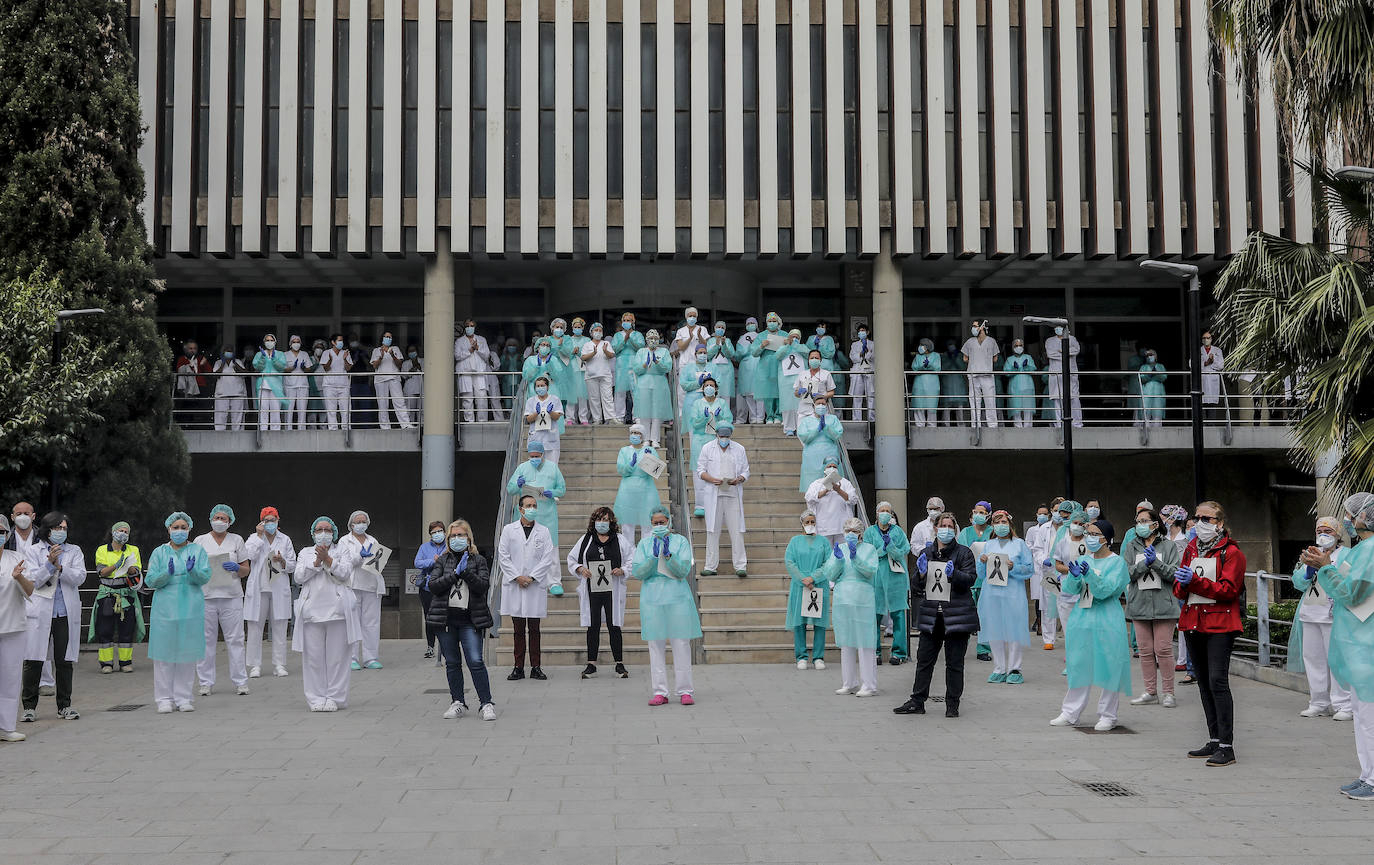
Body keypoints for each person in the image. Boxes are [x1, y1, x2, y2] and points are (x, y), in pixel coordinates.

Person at [1302, 493, 1374, 799]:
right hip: (1359, 643)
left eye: (1350, 515)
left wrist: (1326, 566)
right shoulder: (1363, 549)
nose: (1348, 520)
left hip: (1366, 645)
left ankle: (1372, 780)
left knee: (1368, 716)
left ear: (1363, 517)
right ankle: (1367, 774)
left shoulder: (1370, 550)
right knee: (1361, 714)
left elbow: (1353, 594)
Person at [1172, 500, 1246, 766]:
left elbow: (1228, 590)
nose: (1201, 523)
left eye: (1208, 519)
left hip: (1220, 624)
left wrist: (1194, 582)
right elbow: (1180, 590)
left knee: (1217, 681)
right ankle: (1214, 739)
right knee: (1203, 681)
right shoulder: (1192, 549)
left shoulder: (1232, 552)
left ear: (1220, 523)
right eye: (1198, 517)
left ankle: (1227, 745)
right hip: (1194, 621)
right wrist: (1181, 584)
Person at [1050, 521, 1132, 731]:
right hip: (1082, 616)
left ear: (1107, 539)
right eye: (1089, 533)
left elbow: (1107, 591)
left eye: (1096, 534)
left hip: (1107, 617)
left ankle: (1108, 714)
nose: (1090, 537)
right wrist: (1075, 576)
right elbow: (1070, 589)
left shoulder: (1117, 563)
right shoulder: (1084, 558)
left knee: (1109, 665)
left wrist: (1089, 576)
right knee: (1078, 664)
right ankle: (1070, 712)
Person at [894, 512, 977, 717]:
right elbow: (916, 585)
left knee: (955, 663)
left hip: (957, 617)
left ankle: (952, 704)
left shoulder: (964, 553)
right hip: (932, 616)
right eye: (943, 525)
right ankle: (917, 700)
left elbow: (970, 579)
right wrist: (921, 573)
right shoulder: (926, 552)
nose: (946, 530)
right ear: (935, 528)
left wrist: (954, 574)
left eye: (950, 526)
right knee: (924, 660)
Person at [427, 519, 497, 721]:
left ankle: (486, 703)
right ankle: (457, 701)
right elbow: (434, 585)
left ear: (469, 538)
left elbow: (483, 586)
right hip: (447, 620)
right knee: (453, 663)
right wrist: (454, 574)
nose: (457, 539)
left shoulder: (478, 560)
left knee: (475, 661)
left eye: (461, 535)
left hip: (470, 620)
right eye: (454, 536)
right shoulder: (443, 560)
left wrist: (465, 572)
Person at [141, 513, 212, 713]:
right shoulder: (159, 552)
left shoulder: (197, 551)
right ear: (168, 529)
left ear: (189, 529)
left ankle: (184, 697)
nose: (179, 530)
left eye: (183, 527)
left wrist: (193, 572)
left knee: (187, 655)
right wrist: (167, 574)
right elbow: (151, 580)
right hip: (165, 608)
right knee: (164, 655)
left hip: (191, 607)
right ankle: (164, 698)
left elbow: (205, 576)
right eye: (175, 527)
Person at [19, 513, 85, 723]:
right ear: (47, 529)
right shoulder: (33, 551)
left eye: (64, 528)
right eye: (57, 528)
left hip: (64, 612)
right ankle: (29, 707)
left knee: (64, 660)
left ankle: (64, 705)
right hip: (40, 612)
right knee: (34, 658)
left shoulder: (74, 551)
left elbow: (80, 577)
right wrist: (49, 564)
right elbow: (32, 581)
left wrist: (60, 567)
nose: (61, 532)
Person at [631, 506, 701, 705]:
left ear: (669, 522)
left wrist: (670, 557)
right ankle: (660, 691)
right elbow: (638, 572)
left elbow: (683, 570)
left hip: (677, 597)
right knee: (655, 645)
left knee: (681, 644)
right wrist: (653, 559)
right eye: (655, 523)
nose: (659, 525)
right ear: (650, 524)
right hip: (652, 599)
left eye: (663, 522)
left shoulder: (680, 542)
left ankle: (685, 690)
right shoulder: (644, 544)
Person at [292, 516, 361, 712]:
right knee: (313, 659)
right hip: (311, 613)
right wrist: (317, 561)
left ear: (334, 533)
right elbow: (298, 577)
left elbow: (345, 573)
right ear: (313, 533)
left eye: (328, 530)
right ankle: (316, 698)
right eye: (319, 530)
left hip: (337, 611)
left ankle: (335, 698)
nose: (323, 533)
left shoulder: (343, 550)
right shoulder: (305, 553)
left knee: (337, 658)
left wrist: (328, 559)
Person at [1289, 517, 1355, 719]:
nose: (1323, 534)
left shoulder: (1348, 555)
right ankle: (1319, 702)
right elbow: (1297, 582)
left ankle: (1344, 704)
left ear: (1338, 534)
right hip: (1310, 612)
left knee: (1337, 661)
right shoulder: (1310, 553)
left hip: (1334, 615)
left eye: (1328, 530)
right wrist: (1307, 572)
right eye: (1319, 530)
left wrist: (1327, 568)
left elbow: (1347, 583)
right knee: (1313, 659)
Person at [1123, 507, 1182, 708]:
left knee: (1163, 649)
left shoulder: (1168, 546)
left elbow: (1175, 574)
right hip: (1139, 604)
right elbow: (1126, 573)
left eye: (1144, 521)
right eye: (1138, 521)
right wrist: (1143, 565)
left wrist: (1155, 563)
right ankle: (1150, 691)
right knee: (1145, 650)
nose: (1140, 525)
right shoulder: (1131, 546)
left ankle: (1168, 692)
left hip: (1164, 604)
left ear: (1155, 524)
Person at [568, 507, 634, 680]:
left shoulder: (619, 540)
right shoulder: (586, 539)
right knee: (593, 625)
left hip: (613, 588)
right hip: (592, 589)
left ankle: (619, 663)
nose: (602, 522)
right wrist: (580, 568)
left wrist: (623, 570)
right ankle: (591, 664)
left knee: (614, 626)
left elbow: (632, 559)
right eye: (599, 519)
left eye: (605, 519)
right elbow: (571, 559)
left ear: (611, 522)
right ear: (594, 521)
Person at [498, 494, 559, 681]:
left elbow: (547, 558)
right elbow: (503, 555)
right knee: (517, 629)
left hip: (534, 585)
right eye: (528, 505)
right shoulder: (509, 530)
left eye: (534, 505)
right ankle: (518, 667)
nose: (532, 508)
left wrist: (531, 577)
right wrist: (517, 577)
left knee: (534, 629)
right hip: (515, 584)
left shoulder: (544, 531)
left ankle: (536, 666)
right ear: (520, 509)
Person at [194, 504, 251, 697]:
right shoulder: (200, 540)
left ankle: (241, 681)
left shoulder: (236, 540)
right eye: (216, 518)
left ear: (230, 521)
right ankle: (205, 682)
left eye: (224, 519)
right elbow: (192, 568)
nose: (219, 521)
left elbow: (246, 569)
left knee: (235, 639)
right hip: (206, 596)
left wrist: (236, 567)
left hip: (232, 596)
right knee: (206, 640)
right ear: (210, 519)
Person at [975, 510, 1033, 684]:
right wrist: (981, 561)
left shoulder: (1019, 544)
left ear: (1010, 524)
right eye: (998, 522)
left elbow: (1029, 569)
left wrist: (1014, 566)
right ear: (993, 525)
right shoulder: (988, 544)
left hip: (1013, 593)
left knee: (1014, 628)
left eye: (1004, 522)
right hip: (991, 593)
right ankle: (999, 667)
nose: (1001, 525)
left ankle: (1015, 668)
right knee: (995, 629)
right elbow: (980, 574)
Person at [828, 517, 880, 697]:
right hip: (843, 599)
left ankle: (869, 684)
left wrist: (855, 557)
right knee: (846, 641)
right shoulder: (839, 549)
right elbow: (831, 575)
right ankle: (849, 682)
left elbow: (870, 571)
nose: (851, 534)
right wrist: (838, 561)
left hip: (863, 598)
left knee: (866, 642)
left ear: (861, 533)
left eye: (855, 531)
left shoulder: (869, 549)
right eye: (848, 530)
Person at [243, 507, 296, 679]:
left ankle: (279, 664)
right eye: (267, 520)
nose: (270, 523)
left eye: (273, 520)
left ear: (278, 521)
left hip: (278, 586)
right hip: (259, 587)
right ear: (261, 522)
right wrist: (259, 536)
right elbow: (249, 555)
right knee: (255, 626)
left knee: (280, 625)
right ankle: (255, 665)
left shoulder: (285, 539)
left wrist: (283, 561)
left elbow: (293, 564)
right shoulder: (253, 538)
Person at [89, 521, 145, 674]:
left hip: (126, 595)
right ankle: (106, 664)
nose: (123, 534)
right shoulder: (102, 550)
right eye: (120, 530)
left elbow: (136, 571)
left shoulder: (133, 550)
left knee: (126, 629)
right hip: (106, 595)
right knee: (105, 629)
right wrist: (117, 566)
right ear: (113, 532)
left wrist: (131, 567)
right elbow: (101, 572)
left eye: (126, 532)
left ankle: (125, 662)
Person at [696, 421, 750, 577]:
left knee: (737, 531)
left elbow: (746, 471)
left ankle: (740, 565)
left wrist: (738, 479)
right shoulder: (707, 448)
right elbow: (700, 470)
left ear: (730, 435)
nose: (724, 438)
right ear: (716, 435)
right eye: (721, 436)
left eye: (727, 436)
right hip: (714, 493)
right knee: (712, 530)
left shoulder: (739, 449)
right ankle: (710, 566)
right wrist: (712, 479)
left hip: (733, 493)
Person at [337, 510, 386, 670]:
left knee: (371, 623)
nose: (361, 524)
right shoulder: (344, 541)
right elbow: (345, 562)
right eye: (357, 522)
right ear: (351, 524)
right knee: (352, 623)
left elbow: (378, 560)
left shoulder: (372, 540)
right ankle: (351, 658)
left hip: (371, 585)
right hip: (353, 585)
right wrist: (360, 556)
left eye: (363, 521)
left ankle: (370, 658)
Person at [0, 516, 34, 741]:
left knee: (10, 678)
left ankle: (7, 727)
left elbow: (30, 590)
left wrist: (18, 576)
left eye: (1, 531)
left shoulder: (17, 558)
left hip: (13, 626)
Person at [786, 510, 833, 670]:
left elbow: (828, 563)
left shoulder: (823, 542)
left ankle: (818, 657)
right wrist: (803, 579)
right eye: (807, 522)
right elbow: (790, 562)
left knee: (819, 622)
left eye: (813, 522)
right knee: (800, 622)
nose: (810, 525)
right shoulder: (795, 541)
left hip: (818, 584)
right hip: (800, 586)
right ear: (802, 524)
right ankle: (801, 656)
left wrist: (813, 578)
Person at [506, 441, 567, 563]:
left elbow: (562, 489)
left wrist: (553, 493)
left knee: (550, 548)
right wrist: (518, 485)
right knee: (525, 547)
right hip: (527, 514)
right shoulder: (522, 468)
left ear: (542, 454)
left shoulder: (552, 468)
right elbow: (510, 489)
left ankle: (553, 581)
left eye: (537, 456)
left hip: (547, 515)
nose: (534, 459)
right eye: (532, 456)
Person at [866, 502, 911, 666]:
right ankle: (875, 652)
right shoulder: (870, 532)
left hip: (895, 576)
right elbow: (868, 553)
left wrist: (890, 546)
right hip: (876, 576)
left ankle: (899, 653)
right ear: (877, 513)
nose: (885, 513)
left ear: (892, 515)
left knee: (898, 615)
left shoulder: (898, 532)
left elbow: (903, 551)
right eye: (882, 511)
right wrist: (882, 549)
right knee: (875, 615)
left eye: (888, 511)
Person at [689, 377, 733, 518]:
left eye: (711, 385)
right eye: (706, 385)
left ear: (716, 388)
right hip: (700, 440)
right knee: (699, 472)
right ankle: (700, 505)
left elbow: (729, 423)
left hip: (717, 440)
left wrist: (720, 419)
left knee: (719, 470)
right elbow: (694, 423)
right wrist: (703, 417)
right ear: (702, 388)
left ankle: (719, 503)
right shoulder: (697, 404)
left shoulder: (722, 403)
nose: (709, 387)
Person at [614, 424, 662, 548]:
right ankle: (628, 555)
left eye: (637, 433)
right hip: (627, 491)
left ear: (643, 436)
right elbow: (621, 470)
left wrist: (648, 459)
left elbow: (656, 471)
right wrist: (630, 465)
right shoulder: (624, 451)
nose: (634, 435)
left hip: (647, 491)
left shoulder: (650, 450)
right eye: (633, 433)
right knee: (627, 525)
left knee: (647, 524)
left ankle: (646, 553)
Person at [959, 501, 995, 662]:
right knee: (965, 615)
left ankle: (983, 649)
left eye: (982, 512)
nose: (978, 515)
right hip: (968, 579)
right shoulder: (965, 532)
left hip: (987, 579)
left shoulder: (992, 532)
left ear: (988, 515)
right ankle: (960, 647)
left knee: (985, 616)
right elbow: (959, 552)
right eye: (976, 512)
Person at [805, 454, 857, 545]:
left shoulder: (845, 483)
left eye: (834, 466)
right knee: (826, 555)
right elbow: (809, 498)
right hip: (823, 527)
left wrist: (839, 490)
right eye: (829, 466)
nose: (832, 468)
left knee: (842, 553)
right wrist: (825, 491)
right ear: (824, 469)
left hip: (842, 527)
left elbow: (853, 499)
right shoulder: (816, 484)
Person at [414, 521, 447, 661]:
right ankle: (430, 646)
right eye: (434, 532)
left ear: (445, 532)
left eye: (440, 531)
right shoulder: (424, 547)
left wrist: (442, 560)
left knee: (445, 617)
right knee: (429, 617)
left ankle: (445, 646)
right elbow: (417, 562)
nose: (437, 534)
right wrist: (432, 561)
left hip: (445, 586)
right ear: (430, 534)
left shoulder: (449, 545)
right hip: (427, 587)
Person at [797, 395, 843, 493]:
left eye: (823, 404)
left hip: (830, 455)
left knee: (832, 486)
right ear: (813, 405)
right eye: (818, 404)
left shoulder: (833, 419)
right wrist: (817, 430)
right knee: (812, 488)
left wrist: (826, 428)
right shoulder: (806, 421)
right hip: (811, 458)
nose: (821, 406)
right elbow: (804, 437)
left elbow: (837, 435)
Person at [454, 320, 497, 423]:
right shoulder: (459, 341)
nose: (470, 327)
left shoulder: (481, 339)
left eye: (472, 326)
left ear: (475, 327)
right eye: (467, 326)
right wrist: (470, 350)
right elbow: (457, 356)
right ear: (464, 328)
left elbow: (487, 355)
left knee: (482, 397)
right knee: (467, 399)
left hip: (479, 373)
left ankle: (482, 422)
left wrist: (477, 348)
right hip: (465, 373)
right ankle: (469, 422)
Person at [961, 321, 1001, 428]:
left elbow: (966, 358)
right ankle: (979, 425)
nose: (973, 328)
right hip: (976, 375)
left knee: (987, 401)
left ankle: (986, 425)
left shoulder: (991, 341)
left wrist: (975, 359)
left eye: (975, 326)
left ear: (982, 326)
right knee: (982, 401)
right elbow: (994, 358)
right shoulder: (970, 341)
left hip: (984, 375)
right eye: (973, 326)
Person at [369, 331, 412, 429]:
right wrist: (381, 357)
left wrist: (392, 355)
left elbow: (400, 365)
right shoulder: (376, 350)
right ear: (382, 338)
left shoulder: (395, 349)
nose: (388, 339)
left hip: (394, 378)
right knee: (382, 404)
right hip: (380, 379)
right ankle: (385, 427)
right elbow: (374, 366)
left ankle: (405, 424)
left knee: (399, 401)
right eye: (386, 337)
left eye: (390, 337)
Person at [1026, 504, 1055, 646]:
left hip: (1063, 570)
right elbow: (1034, 548)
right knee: (1046, 603)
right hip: (1045, 569)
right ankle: (1047, 637)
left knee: (1065, 604)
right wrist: (1044, 559)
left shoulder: (1067, 529)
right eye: (1055, 510)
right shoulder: (1041, 529)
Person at [1045, 325, 1083, 427]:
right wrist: (1066, 352)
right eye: (1056, 327)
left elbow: (1076, 350)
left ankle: (1077, 423)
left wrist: (1062, 351)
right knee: (1057, 399)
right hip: (1056, 373)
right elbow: (1050, 354)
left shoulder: (1072, 339)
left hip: (1071, 372)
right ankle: (1059, 424)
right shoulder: (1049, 341)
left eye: (1060, 327)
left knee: (1073, 398)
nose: (1058, 329)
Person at [749, 312, 785, 423]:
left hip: (780, 366)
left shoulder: (784, 334)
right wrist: (762, 346)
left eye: (774, 321)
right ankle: (769, 416)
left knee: (779, 391)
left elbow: (791, 349)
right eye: (770, 321)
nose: (772, 323)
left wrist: (786, 344)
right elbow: (754, 352)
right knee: (768, 393)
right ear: (766, 323)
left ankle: (778, 415)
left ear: (778, 322)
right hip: (765, 368)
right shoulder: (761, 336)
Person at [250, 333, 289, 431]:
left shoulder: (280, 354)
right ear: (264, 342)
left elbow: (281, 367)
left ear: (275, 342)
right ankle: (263, 430)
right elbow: (257, 367)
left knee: (275, 410)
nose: (269, 342)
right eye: (267, 340)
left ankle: (275, 431)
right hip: (263, 385)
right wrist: (263, 358)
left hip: (276, 386)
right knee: (263, 410)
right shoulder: (259, 354)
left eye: (271, 340)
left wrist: (274, 359)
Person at [581, 322, 617, 424]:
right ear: (591, 332)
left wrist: (605, 351)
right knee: (594, 398)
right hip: (591, 375)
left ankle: (611, 418)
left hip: (605, 374)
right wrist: (593, 353)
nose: (598, 332)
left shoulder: (606, 343)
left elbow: (612, 355)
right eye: (595, 330)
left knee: (608, 397)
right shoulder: (587, 344)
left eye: (600, 330)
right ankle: (597, 419)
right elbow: (583, 357)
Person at [524, 375, 565, 464]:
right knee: (537, 467)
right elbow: (528, 419)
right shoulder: (530, 401)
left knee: (552, 466)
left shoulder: (555, 399)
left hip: (551, 439)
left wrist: (550, 412)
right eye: (538, 386)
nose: (540, 388)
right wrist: (536, 413)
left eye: (542, 385)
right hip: (536, 438)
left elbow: (557, 417)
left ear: (547, 387)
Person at [612, 312, 645, 422]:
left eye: (629, 320)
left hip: (634, 365)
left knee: (635, 391)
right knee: (620, 392)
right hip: (621, 366)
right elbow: (614, 350)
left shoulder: (638, 334)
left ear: (633, 322)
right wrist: (624, 340)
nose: (626, 322)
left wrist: (630, 339)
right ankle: (619, 416)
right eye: (625, 320)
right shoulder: (617, 335)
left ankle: (637, 416)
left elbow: (641, 348)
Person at [776, 330, 810, 435]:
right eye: (792, 337)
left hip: (801, 380)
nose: (794, 339)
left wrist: (795, 345)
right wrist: (787, 346)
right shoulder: (783, 348)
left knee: (800, 404)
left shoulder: (803, 347)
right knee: (787, 405)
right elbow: (778, 356)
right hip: (785, 381)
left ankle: (800, 428)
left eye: (797, 337)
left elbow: (807, 353)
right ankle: (789, 428)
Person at [175, 339, 214, 428]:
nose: (193, 350)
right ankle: (186, 427)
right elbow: (179, 370)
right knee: (187, 409)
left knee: (202, 409)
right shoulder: (182, 359)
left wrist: (203, 364)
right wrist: (190, 366)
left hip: (201, 387)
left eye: (195, 348)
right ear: (185, 350)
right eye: (190, 348)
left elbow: (209, 371)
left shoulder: (200, 358)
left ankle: (203, 427)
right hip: (188, 388)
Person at [560, 317, 591, 425]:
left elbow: (588, 354)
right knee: (571, 394)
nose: (577, 328)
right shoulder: (568, 339)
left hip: (583, 370)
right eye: (575, 327)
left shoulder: (587, 340)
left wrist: (579, 353)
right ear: (572, 328)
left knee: (583, 395)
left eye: (579, 327)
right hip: (571, 370)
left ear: (583, 328)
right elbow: (564, 353)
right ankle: (569, 418)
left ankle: (583, 418)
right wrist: (572, 352)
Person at [319, 334, 353, 430]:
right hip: (329, 385)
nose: (341, 342)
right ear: (333, 342)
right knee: (331, 410)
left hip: (343, 385)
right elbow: (326, 368)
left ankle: (346, 428)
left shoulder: (345, 353)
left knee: (345, 409)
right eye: (339, 340)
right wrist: (330, 360)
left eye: (342, 340)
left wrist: (345, 358)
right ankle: (333, 429)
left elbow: (348, 368)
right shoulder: (326, 353)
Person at [280, 335, 314, 429]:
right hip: (289, 385)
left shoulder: (304, 354)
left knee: (302, 409)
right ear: (290, 344)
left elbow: (309, 369)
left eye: (298, 342)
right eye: (294, 342)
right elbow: (281, 369)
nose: (296, 344)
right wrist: (291, 368)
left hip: (302, 385)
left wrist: (303, 368)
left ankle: (301, 429)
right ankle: (288, 429)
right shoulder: (285, 354)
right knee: (289, 409)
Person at [793, 349, 836, 424]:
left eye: (816, 358)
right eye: (812, 358)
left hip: (820, 408)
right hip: (804, 409)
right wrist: (799, 392)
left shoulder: (826, 374)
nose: (814, 360)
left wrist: (822, 396)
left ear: (820, 360)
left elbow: (831, 392)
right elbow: (796, 393)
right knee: (803, 432)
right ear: (808, 360)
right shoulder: (802, 374)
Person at [212, 346, 249, 430]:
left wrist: (235, 363)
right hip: (222, 394)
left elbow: (245, 373)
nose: (229, 352)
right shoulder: (218, 362)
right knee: (220, 417)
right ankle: (219, 435)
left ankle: (237, 436)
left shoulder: (238, 361)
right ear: (223, 353)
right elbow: (215, 376)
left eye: (230, 351)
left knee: (237, 419)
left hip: (237, 393)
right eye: (227, 351)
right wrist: (223, 363)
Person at [1003, 339, 1037, 428]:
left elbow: (1033, 369)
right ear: (1013, 347)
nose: (1019, 347)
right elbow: (1006, 372)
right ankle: (1017, 426)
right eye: (1016, 345)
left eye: (1020, 345)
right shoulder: (1009, 359)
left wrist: (1027, 366)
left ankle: (1028, 426)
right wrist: (1014, 369)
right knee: (1015, 408)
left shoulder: (1028, 357)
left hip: (1028, 386)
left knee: (1028, 408)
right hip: (1015, 387)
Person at [735, 316, 762, 423]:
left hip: (759, 365)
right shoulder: (741, 338)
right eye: (748, 323)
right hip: (745, 368)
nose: (750, 325)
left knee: (759, 393)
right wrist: (748, 349)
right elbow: (737, 355)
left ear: (756, 325)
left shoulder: (762, 336)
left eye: (752, 323)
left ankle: (760, 417)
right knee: (747, 394)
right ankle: (752, 418)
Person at [909, 338, 941, 428]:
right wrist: (924, 366)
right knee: (919, 406)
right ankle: (919, 425)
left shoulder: (936, 355)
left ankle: (932, 426)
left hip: (932, 384)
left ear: (927, 347)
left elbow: (937, 368)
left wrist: (928, 365)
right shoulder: (918, 356)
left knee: (932, 406)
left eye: (922, 345)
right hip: (919, 384)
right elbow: (914, 367)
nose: (920, 347)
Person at [679, 343, 714, 423]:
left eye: (705, 353)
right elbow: (684, 384)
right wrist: (697, 383)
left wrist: (711, 384)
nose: (703, 355)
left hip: (709, 402)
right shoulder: (688, 368)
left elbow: (718, 382)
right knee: (693, 429)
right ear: (695, 354)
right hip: (692, 403)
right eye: (700, 353)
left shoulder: (713, 367)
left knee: (709, 430)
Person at [706, 321, 737, 408]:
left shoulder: (727, 340)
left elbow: (731, 354)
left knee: (726, 395)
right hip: (714, 369)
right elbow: (708, 355)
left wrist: (724, 345)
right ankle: (715, 416)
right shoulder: (710, 341)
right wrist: (716, 345)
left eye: (722, 328)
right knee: (714, 393)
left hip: (726, 370)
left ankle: (726, 416)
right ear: (714, 328)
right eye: (718, 327)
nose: (720, 329)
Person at [848, 323, 875, 421]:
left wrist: (868, 352)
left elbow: (874, 357)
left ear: (867, 332)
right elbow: (852, 357)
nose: (861, 332)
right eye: (859, 331)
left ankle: (872, 419)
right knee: (857, 396)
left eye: (863, 331)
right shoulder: (854, 344)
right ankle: (856, 419)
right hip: (858, 370)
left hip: (869, 370)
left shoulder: (872, 344)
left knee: (871, 396)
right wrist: (860, 354)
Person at [940, 340, 969, 426]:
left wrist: (955, 359)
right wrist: (950, 360)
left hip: (958, 384)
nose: (951, 346)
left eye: (952, 344)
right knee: (946, 406)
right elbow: (942, 368)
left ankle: (961, 424)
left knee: (959, 407)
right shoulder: (944, 356)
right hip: (947, 383)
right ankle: (946, 425)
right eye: (949, 344)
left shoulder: (960, 356)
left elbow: (963, 367)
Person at [1135, 349, 1166, 427]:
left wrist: (1156, 374)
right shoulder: (1143, 367)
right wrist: (1150, 375)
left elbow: (1164, 376)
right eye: (1147, 355)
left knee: (1157, 412)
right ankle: (1145, 428)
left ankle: (1157, 429)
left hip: (1158, 392)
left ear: (1155, 356)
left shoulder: (1160, 366)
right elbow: (1141, 378)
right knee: (1146, 411)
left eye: (1151, 355)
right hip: (1146, 391)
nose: (1149, 357)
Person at [1201, 330, 1225, 415]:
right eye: (1204, 338)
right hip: (1202, 381)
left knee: (1212, 407)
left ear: (1211, 339)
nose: (1206, 339)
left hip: (1212, 380)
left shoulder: (1217, 351)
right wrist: (1206, 363)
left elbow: (1221, 365)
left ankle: (1211, 426)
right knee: (1201, 407)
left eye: (1208, 338)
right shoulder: (1197, 351)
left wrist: (1212, 361)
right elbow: (1191, 364)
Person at [401, 344, 423, 421]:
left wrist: (420, 368)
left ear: (417, 351)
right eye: (410, 351)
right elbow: (403, 376)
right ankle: (410, 428)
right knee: (410, 411)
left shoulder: (423, 361)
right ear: (407, 353)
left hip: (422, 389)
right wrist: (410, 371)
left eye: (413, 350)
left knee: (422, 412)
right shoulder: (405, 363)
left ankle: (422, 429)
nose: (412, 352)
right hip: (410, 390)